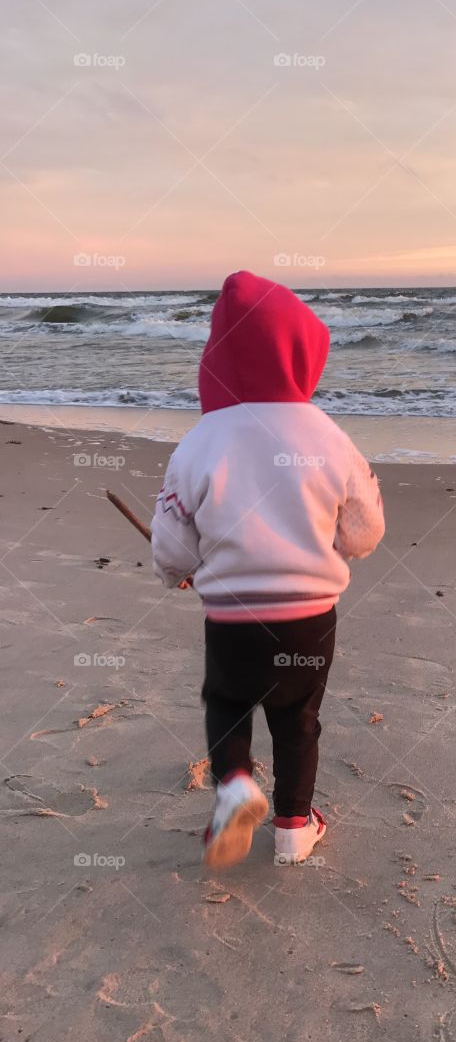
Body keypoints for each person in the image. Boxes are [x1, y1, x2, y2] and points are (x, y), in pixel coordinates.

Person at [150, 270, 384, 869]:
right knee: (297, 717)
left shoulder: (202, 440)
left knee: (227, 702)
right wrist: (340, 544)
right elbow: (365, 528)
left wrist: (179, 568)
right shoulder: (327, 436)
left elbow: (172, 539)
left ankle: (234, 787)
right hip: (309, 617)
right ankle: (293, 828)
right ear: (302, 350)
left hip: (231, 615)